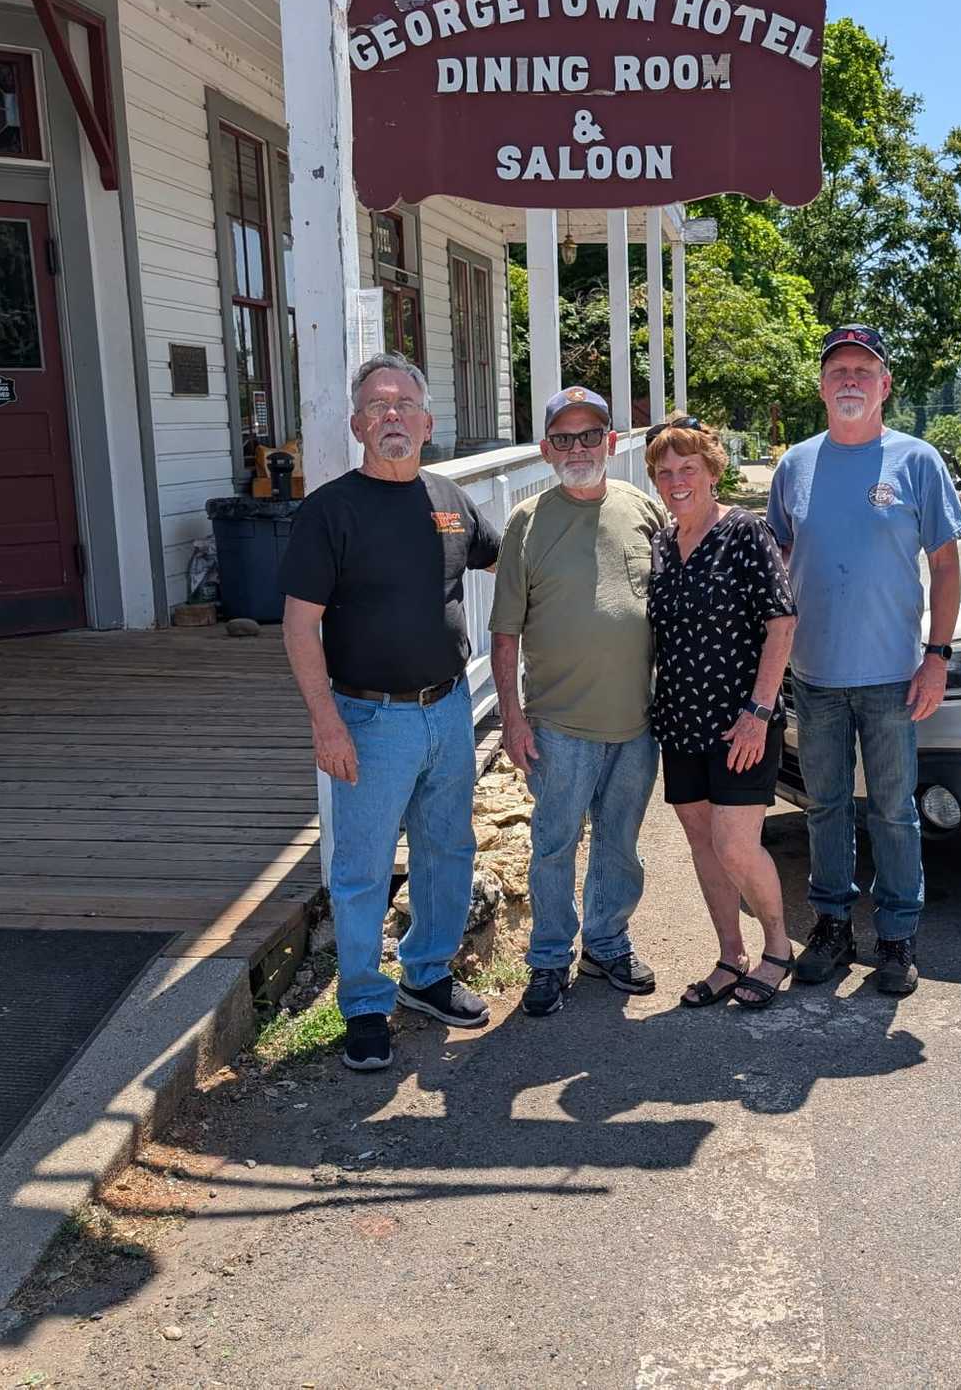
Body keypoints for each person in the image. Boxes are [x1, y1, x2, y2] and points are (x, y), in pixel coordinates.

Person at [279, 352, 501, 1072]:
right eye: (377, 406)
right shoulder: (330, 510)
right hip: (368, 721)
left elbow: (512, 560)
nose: (392, 416)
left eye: (404, 403)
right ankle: (365, 1003)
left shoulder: (449, 499)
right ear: (357, 424)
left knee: (448, 851)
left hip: (448, 711)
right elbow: (297, 624)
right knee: (362, 868)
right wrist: (325, 721)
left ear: (429, 421)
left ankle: (427, 976)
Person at [767, 325, 961, 997]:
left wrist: (937, 655)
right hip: (814, 675)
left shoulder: (916, 462)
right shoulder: (794, 465)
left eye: (863, 369)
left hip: (892, 677)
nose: (849, 379)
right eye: (837, 370)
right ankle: (829, 927)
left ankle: (897, 937)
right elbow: (780, 562)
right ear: (821, 387)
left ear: (885, 386)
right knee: (823, 806)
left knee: (892, 811)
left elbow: (944, 567)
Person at [490, 386, 666, 1018]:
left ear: (611, 442)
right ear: (545, 450)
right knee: (555, 843)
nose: (578, 448)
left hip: (636, 722)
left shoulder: (643, 510)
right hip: (559, 725)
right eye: (563, 438)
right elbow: (504, 630)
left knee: (621, 841)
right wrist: (512, 719)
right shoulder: (527, 522)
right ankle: (548, 959)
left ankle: (608, 942)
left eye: (590, 434)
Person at [645, 418, 799, 1009]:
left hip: (741, 722)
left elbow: (780, 622)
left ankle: (778, 948)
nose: (677, 480)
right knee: (704, 846)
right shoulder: (662, 543)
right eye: (666, 472)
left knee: (736, 846)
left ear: (713, 472)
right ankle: (730, 956)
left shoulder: (744, 532)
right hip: (680, 723)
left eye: (689, 469)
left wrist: (760, 710)